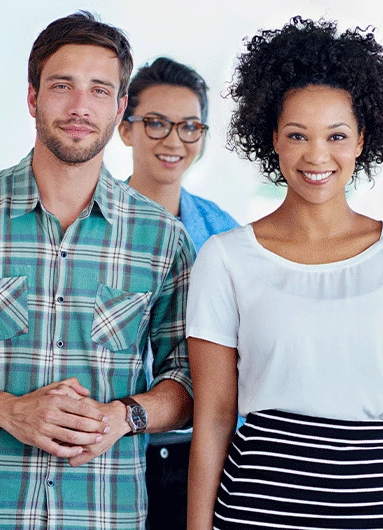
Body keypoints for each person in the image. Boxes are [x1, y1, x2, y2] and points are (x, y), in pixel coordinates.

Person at [0, 12, 194, 530]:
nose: (78, 107)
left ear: (118, 111)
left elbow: (188, 380)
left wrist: (123, 417)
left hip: (107, 517)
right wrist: (8, 411)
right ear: (33, 97)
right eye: (61, 86)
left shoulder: (162, 238)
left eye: (98, 91)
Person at [186, 17, 383, 530]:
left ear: (360, 141)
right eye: (297, 135)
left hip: (377, 511)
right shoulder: (226, 258)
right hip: (258, 511)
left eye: (336, 135)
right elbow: (215, 416)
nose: (316, 155)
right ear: (274, 141)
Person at [118, 56, 238, 529]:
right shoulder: (91, 227)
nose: (173, 141)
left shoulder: (226, 235)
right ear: (125, 129)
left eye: (189, 127)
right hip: (118, 451)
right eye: (155, 124)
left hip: (205, 454)